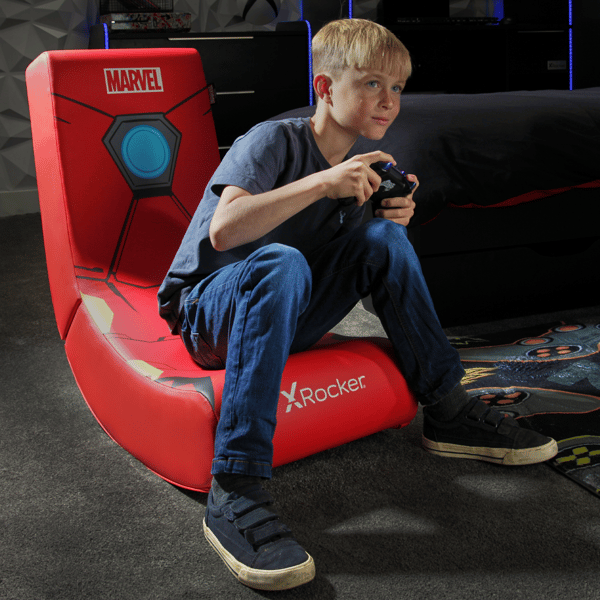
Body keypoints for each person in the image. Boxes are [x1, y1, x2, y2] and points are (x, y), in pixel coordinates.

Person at [157, 18, 558, 592]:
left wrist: (386, 219)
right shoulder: (273, 141)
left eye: (397, 87)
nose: (389, 101)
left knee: (384, 239)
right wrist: (324, 183)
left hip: (286, 310)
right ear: (324, 87)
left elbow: (350, 259)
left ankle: (448, 411)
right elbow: (224, 231)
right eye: (372, 83)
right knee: (281, 261)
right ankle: (236, 486)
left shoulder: (362, 169)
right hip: (209, 313)